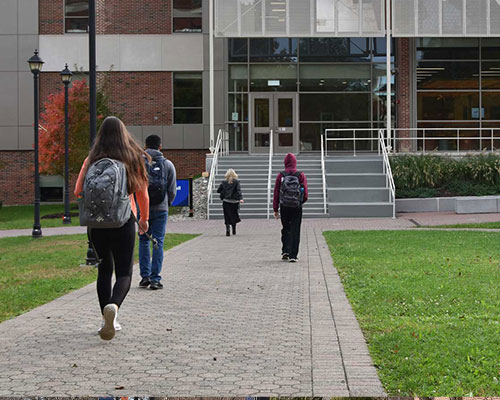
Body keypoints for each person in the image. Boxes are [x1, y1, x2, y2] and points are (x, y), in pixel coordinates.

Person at [75, 116, 150, 341]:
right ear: (123, 134)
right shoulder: (132, 159)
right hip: (124, 221)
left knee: (104, 270)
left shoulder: (91, 160)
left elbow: (78, 190)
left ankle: (106, 319)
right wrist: (144, 220)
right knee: (124, 272)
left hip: (96, 225)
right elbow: (142, 195)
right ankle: (114, 308)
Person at [138, 134, 177, 290]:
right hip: (161, 208)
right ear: (160, 146)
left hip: (143, 209)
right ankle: (155, 279)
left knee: (143, 241)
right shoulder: (167, 164)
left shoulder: (139, 164)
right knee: (158, 242)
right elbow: (172, 190)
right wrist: (166, 203)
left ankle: (145, 276)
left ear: (145, 147)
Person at [273, 153, 308, 263]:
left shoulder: (281, 175)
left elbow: (276, 193)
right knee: (295, 229)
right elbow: (305, 193)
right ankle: (293, 255)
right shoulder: (300, 175)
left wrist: (275, 208)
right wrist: (300, 201)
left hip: (284, 206)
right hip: (296, 206)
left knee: (286, 228)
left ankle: (285, 251)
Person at [217, 168, 244, 236]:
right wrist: (240, 198)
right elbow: (238, 191)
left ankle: (227, 229)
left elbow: (218, 190)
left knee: (227, 215)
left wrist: (223, 191)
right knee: (234, 214)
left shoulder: (224, 182)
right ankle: (234, 229)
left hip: (226, 201)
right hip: (234, 201)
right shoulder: (236, 182)